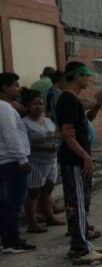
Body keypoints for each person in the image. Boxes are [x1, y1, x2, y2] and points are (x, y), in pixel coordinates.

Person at [56, 61, 102, 265]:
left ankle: (83, 243)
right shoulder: (68, 100)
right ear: (77, 76)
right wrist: (86, 157)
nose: (89, 79)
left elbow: (87, 118)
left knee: (82, 203)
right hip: (74, 160)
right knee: (76, 203)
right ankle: (79, 249)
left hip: (79, 158)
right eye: (86, 76)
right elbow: (67, 135)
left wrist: (98, 102)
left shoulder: (73, 99)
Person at [0, 72, 36, 253]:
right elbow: (11, 135)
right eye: (15, 85)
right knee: (12, 203)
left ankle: (6, 239)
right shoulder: (5, 109)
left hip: (4, 161)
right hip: (11, 162)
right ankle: (11, 241)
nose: (18, 88)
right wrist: (22, 159)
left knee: (4, 203)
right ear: (5, 88)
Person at [21, 88, 64, 233]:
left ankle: (50, 217)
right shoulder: (24, 123)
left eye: (40, 103)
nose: (38, 106)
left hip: (51, 161)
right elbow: (23, 144)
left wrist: (56, 139)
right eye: (35, 104)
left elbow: (55, 134)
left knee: (47, 191)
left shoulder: (46, 120)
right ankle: (32, 223)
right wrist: (43, 147)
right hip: (35, 163)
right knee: (34, 193)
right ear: (27, 106)